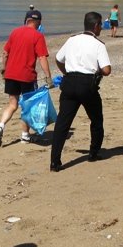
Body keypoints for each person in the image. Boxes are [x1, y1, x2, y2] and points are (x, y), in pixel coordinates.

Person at [50, 12, 112, 172]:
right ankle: (93, 153)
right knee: (96, 119)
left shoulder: (72, 40)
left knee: (63, 123)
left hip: (69, 82)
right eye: (100, 27)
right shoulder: (99, 45)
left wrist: (65, 72)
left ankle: (54, 162)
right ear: (97, 26)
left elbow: (58, 58)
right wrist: (97, 70)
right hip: (87, 84)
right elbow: (106, 69)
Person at [0, 10, 52, 146]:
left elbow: (5, 53)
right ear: (39, 22)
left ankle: (0, 126)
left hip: (11, 74)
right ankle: (25, 136)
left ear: (26, 20)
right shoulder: (38, 36)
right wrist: (48, 77)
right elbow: (42, 57)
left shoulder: (15, 32)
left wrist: (4, 69)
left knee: (12, 105)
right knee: (27, 106)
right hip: (27, 76)